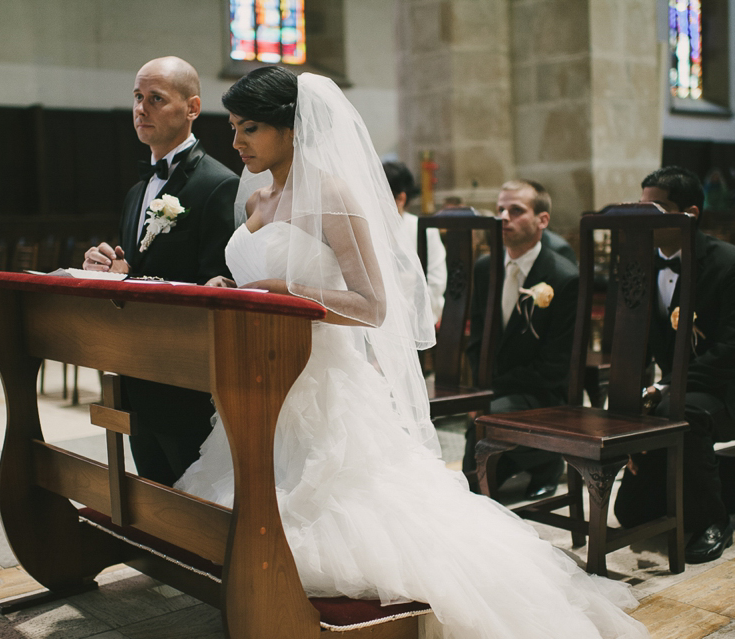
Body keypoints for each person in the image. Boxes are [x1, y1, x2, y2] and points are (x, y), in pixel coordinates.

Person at [176, 66, 647, 639]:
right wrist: (230, 289)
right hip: (258, 378)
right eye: (234, 127)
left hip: (321, 383)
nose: (237, 141)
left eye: (249, 128)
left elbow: (371, 304)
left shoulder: (331, 194)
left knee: (347, 521)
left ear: (291, 127)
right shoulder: (257, 198)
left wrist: (280, 290)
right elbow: (251, 275)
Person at [82, 56, 239, 485]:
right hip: (136, 367)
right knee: (154, 492)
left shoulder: (218, 184)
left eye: (156, 99)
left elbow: (219, 284)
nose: (141, 109)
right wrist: (111, 269)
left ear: (192, 108)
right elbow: (136, 267)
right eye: (137, 98)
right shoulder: (137, 191)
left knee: (195, 493)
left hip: (184, 377)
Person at [614, 166, 735, 563]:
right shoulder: (640, 264)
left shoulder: (734, 265)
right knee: (629, 514)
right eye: (642, 205)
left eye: (658, 207)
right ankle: (668, 500)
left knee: (675, 408)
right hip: (679, 386)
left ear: (691, 213)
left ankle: (712, 521)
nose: (646, 215)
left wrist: (665, 388)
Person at [462, 179, 579, 499]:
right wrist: (477, 391)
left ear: (543, 220)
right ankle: (512, 464)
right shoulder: (485, 268)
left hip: (541, 394)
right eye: (500, 209)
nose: (503, 217)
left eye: (516, 210)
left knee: (480, 438)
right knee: (476, 462)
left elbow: (554, 366)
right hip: (496, 389)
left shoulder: (563, 278)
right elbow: (477, 340)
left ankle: (547, 461)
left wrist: (490, 391)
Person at [383, 160, 447, 322]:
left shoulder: (424, 230)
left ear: (400, 199)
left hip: (416, 314)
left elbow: (437, 281)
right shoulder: (367, 228)